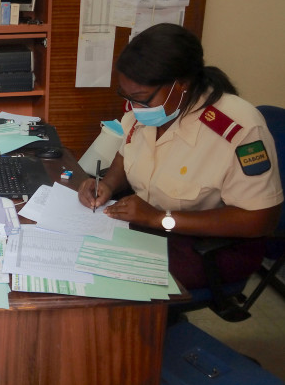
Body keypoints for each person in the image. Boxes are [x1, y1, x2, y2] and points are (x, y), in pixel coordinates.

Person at [78, 23, 283, 290]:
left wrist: (159, 218)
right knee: (82, 254)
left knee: (104, 282)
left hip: (205, 245)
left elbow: (261, 220)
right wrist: (106, 184)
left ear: (181, 84)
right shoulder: (145, 112)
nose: (132, 107)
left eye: (140, 98)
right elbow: (123, 157)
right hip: (150, 227)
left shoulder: (238, 129)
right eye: (126, 96)